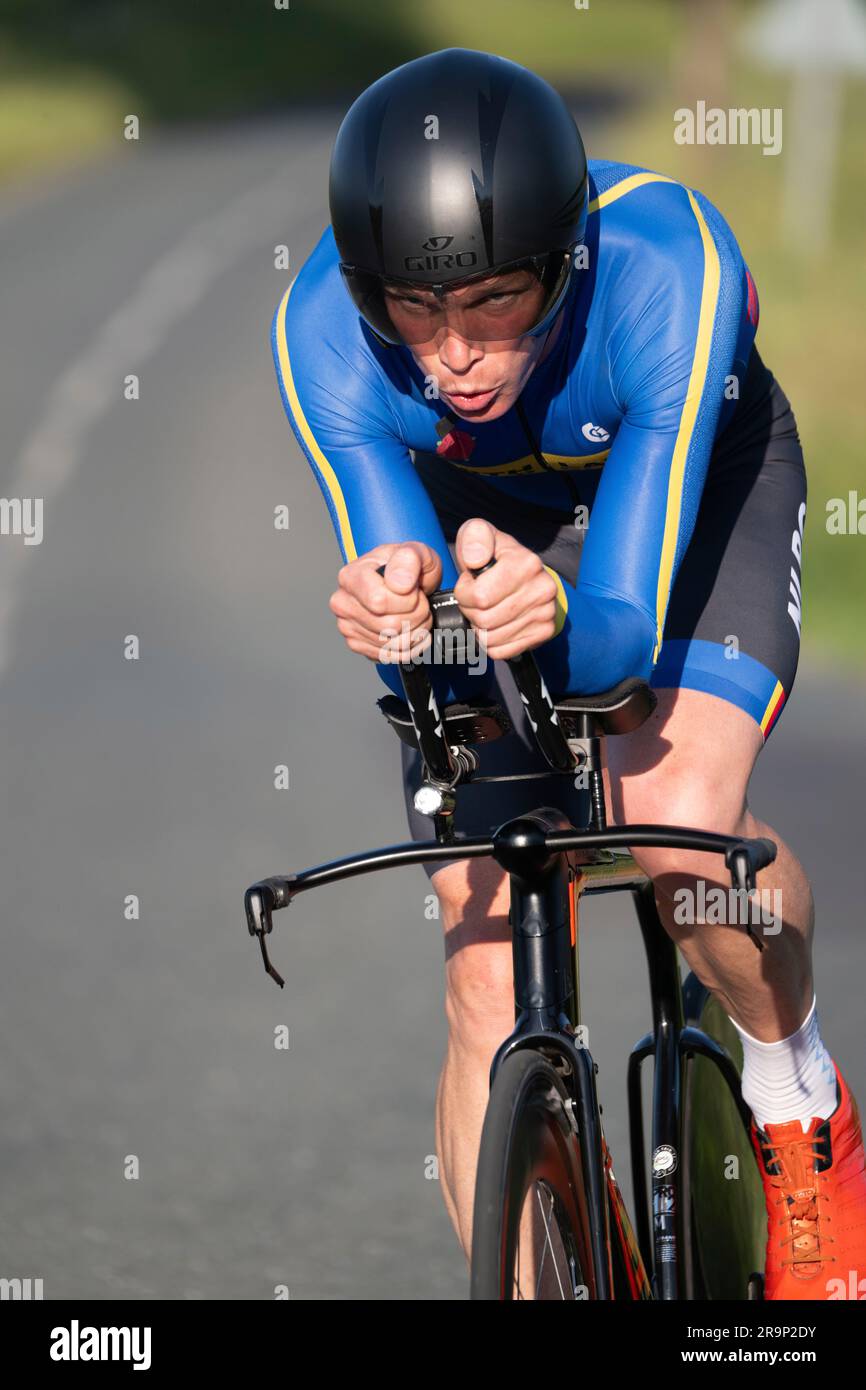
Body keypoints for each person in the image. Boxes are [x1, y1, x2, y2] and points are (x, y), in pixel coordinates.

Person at [272, 47, 866, 1299]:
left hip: (687, 500)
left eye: (492, 301)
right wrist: (400, 606)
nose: (452, 355)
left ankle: (794, 1096)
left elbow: (613, 639)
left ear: (562, 261)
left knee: (679, 834)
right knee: (475, 931)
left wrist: (551, 614)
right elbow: (412, 590)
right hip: (480, 518)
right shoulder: (322, 324)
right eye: (412, 309)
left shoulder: (664, 269)